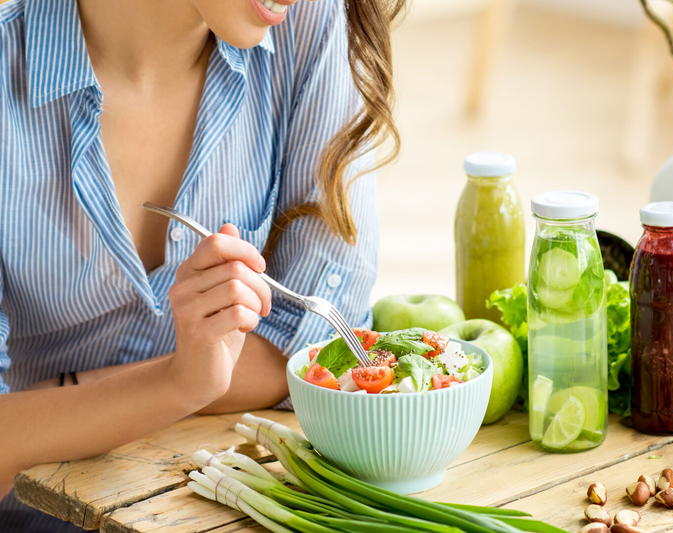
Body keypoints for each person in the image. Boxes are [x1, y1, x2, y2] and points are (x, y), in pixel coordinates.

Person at [0, 0, 404, 529]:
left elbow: (321, 345)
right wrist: (177, 383)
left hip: (233, 492)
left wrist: (62, 397)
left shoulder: (312, 28)